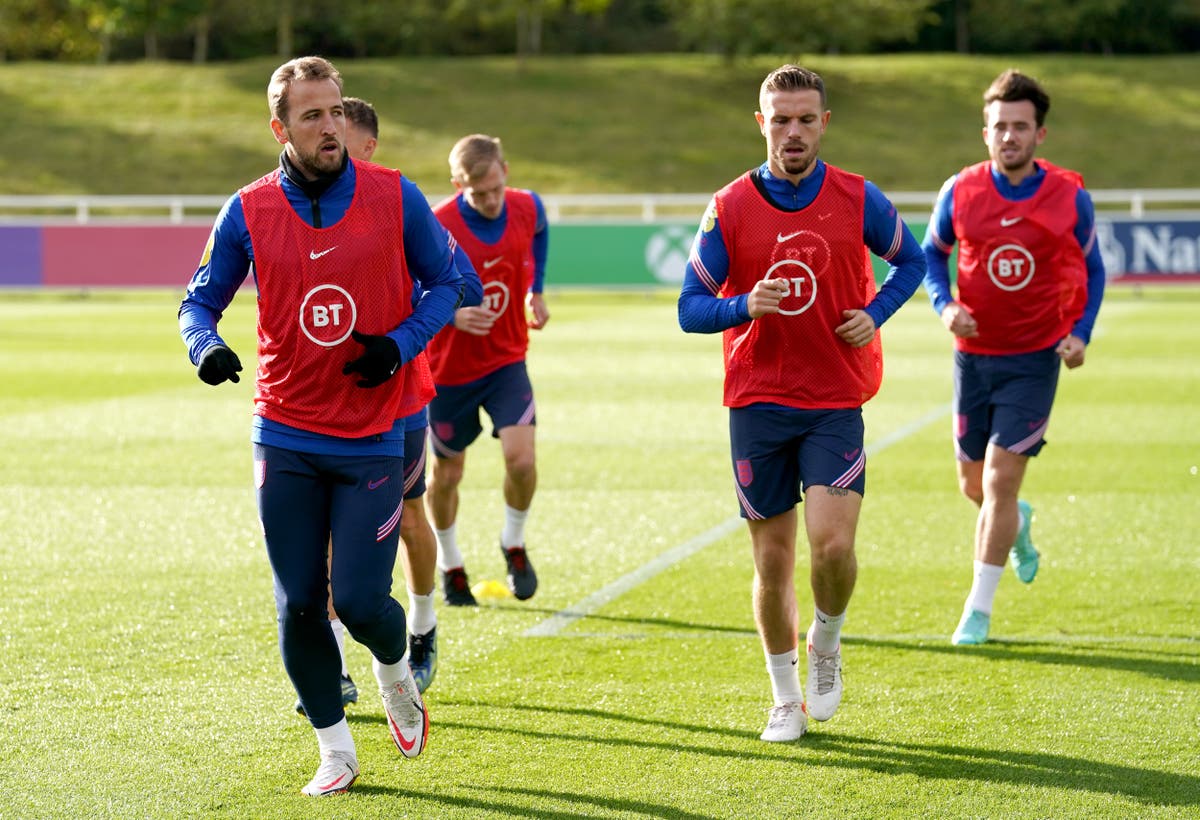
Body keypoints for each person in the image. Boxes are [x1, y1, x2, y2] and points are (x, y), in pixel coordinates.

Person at [179, 57, 463, 797]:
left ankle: (397, 671)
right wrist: (205, 348)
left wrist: (399, 345)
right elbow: (197, 301)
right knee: (300, 600)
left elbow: (450, 282)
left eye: (336, 111)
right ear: (281, 127)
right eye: (313, 115)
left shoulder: (395, 194)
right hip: (283, 432)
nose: (331, 126)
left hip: (371, 432)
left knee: (361, 603)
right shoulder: (246, 208)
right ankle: (334, 749)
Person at [677, 64, 926, 743]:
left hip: (834, 398)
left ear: (824, 123)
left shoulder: (858, 196)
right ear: (761, 122)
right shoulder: (728, 206)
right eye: (780, 119)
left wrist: (876, 312)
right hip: (757, 403)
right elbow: (689, 308)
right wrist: (741, 304)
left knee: (835, 546)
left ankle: (828, 638)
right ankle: (785, 696)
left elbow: (915, 263)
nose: (793, 131)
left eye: (805, 119)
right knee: (773, 561)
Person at [285, 97, 482, 713]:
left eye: (351, 135)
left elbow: (458, 280)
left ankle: (422, 629)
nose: (341, 144)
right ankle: (336, 661)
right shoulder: (314, 205)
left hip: (398, 398)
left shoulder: (398, 201)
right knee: (323, 541)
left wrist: (409, 321)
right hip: (322, 401)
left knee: (408, 517)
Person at [921, 68, 1105, 646]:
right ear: (985, 131)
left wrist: (1081, 332)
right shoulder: (960, 190)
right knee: (973, 486)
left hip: (1034, 358)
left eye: (1020, 127)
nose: (1009, 136)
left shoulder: (1070, 196)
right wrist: (945, 305)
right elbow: (930, 256)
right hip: (972, 357)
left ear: (1039, 135)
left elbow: (1094, 270)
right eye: (999, 126)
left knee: (999, 483)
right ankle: (1018, 526)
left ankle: (977, 610)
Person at [426, 134, 550, 604]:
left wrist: (535, 289)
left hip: (506, 360)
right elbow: (410, 291)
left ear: (506, 172)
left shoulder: (527, 206)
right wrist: (452, 314)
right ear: (459, 185)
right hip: (449, 370)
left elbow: (540, 230)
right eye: (479, 194)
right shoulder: (437, 224)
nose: (492, 200)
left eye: (497, 187)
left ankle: (513, 542)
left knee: (522, 460)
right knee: (448, 474)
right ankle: (450, 562)